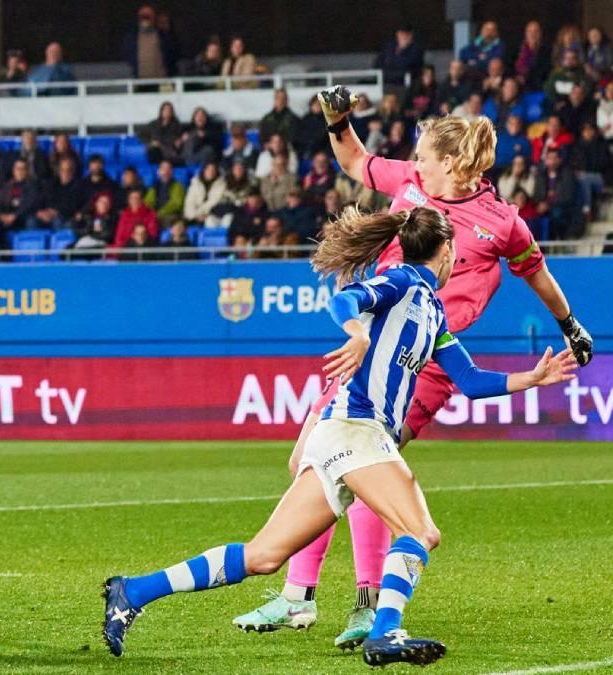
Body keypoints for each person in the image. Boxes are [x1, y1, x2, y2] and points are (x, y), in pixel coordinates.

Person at [101, 206, 579, 665]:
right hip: (356, 427)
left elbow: (471, 381)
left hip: (342, 436)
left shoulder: (432, 311)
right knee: (419, 531)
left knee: (264, 556)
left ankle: (133, 591)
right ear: (448, 250)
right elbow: (343, 299)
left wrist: (529, 379)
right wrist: (358, 334)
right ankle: (385, 629)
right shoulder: (403, 282)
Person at [229, 85, 593, 649]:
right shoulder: (412, 181)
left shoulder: (501, 223)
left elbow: (537, 275)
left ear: (449, 162)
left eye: (422, 153)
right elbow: (352, 157)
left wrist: (570, 324)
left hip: (426, 359)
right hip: (373, 342)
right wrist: (338, 119)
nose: (413, 160)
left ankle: (360, 601)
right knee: (312, 459)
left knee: (359, 465)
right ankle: (301, 597)